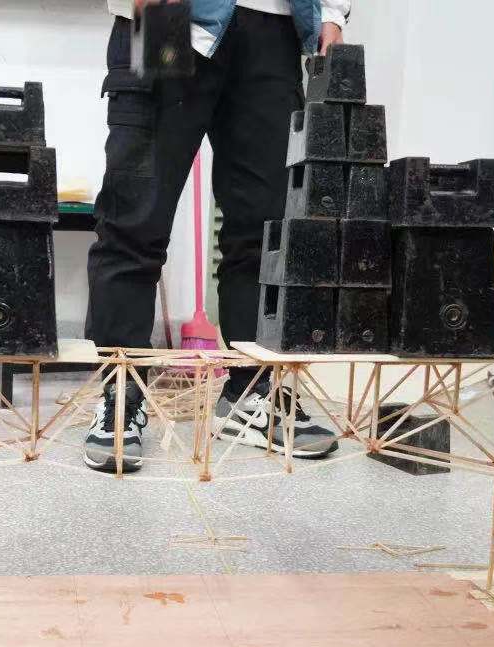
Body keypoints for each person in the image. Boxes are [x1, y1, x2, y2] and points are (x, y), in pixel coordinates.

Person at [82, 0, 350, 472]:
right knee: (135, 218)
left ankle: (251, 392)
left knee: (266, 232)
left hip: (273, 29)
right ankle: (122, 392)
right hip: (167, 16)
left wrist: (331, 12)